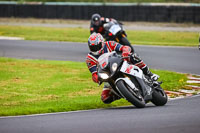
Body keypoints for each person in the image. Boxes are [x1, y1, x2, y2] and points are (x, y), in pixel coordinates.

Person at [86, 33, 159, 104]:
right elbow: (94, 73)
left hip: (120, 63)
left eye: (97, 46)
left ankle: (149, 74)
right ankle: (124, 93)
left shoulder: (109, 44)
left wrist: (125, 51)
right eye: (92, 47)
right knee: (105, 98)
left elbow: (124, 47)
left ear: (102, 43)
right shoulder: (90, 59)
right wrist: (97, 78)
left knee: (133, 56)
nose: (95, 49)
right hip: (108, 76)